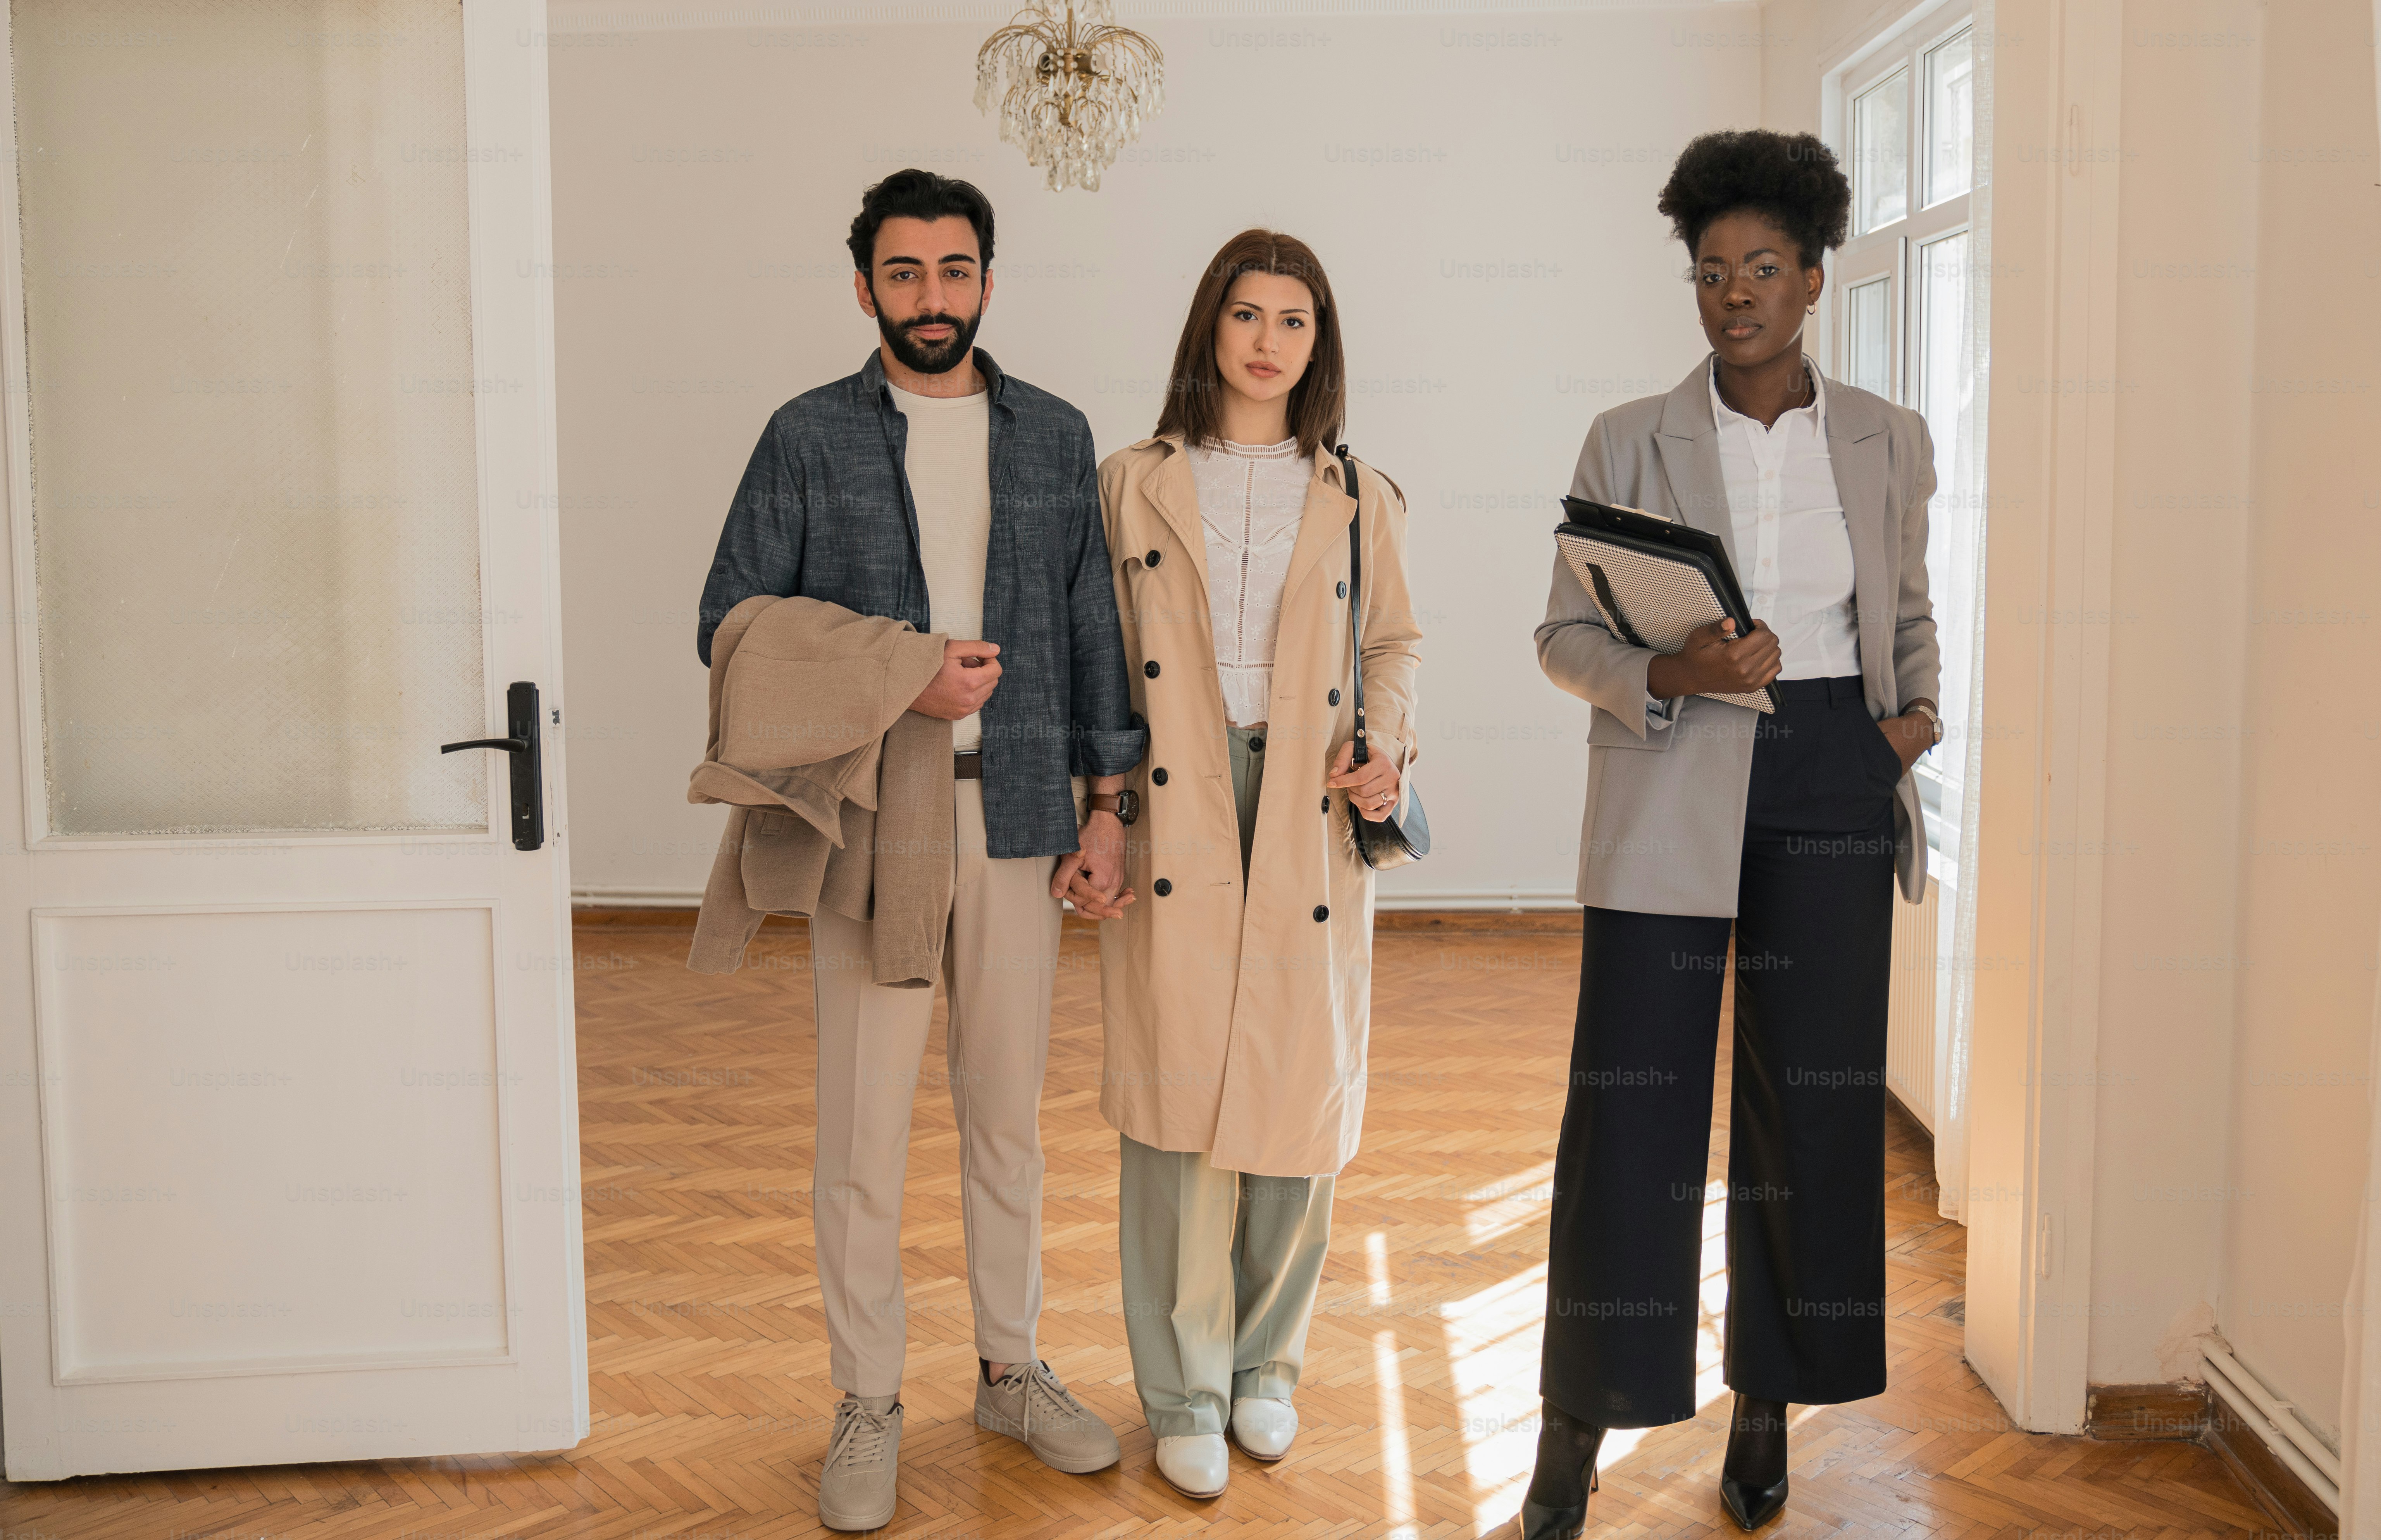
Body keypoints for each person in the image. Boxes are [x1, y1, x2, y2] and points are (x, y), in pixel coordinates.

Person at [695, 168, 1145, 1532]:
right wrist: (905, 672)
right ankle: (867, 1398)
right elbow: (731, 620)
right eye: (905, 274)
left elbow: (1090, 632)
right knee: (863, 1129)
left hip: (1019, 815)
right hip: (873, 818)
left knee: (1006, 1115)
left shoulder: (1058, 437)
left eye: (955, 272)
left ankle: (1009, 1369)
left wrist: (1109, 805)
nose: (931, 298)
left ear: (988, 284)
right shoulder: (806, 435)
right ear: (865, 288)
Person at [1520, 130, 1942, 1538]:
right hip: (1674, 768)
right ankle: (1577, 1425)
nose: (1735, 294)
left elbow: (1903, 611)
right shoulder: (1626, 437)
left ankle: (1770, 1397)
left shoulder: (1888, 436)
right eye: (1712, 272)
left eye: (1762, 268)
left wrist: (1909, 718)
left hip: (1831, 768)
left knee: (1809, 1109)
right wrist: (1677, 674)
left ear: (1815, 279)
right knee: (1631, 1106)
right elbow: (1564, 633)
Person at [1081, 229, 1423, 1500]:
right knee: (1175, 1095)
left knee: (1295, 1088)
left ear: (1319, 341)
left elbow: (1394, 644)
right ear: (1208, 329)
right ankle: (1179, 1386)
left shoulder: (1358, 493)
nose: (1269, 341)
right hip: (1177, 790)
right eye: (1247, 314)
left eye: (1294, 319)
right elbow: (1097, 655)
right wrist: (1100, 807)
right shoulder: (1129, 482)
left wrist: (1386, 744)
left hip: (1307, 800)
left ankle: (1266, 1369)